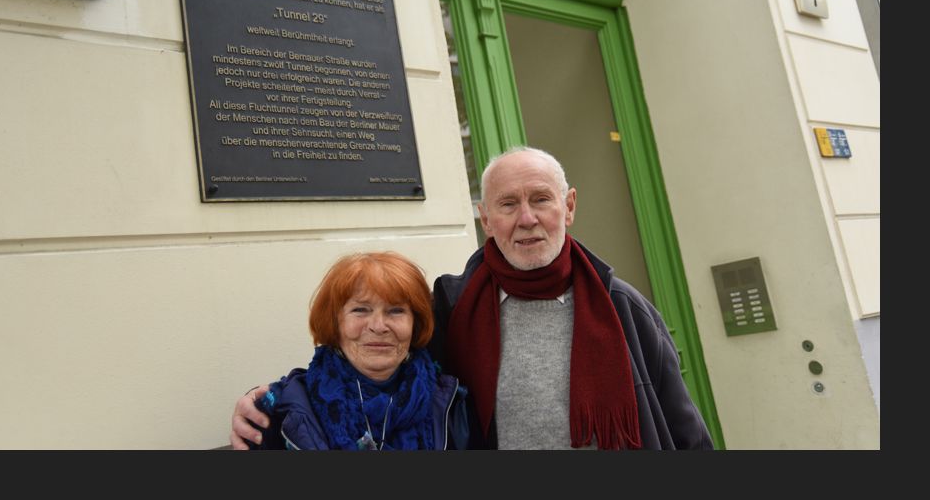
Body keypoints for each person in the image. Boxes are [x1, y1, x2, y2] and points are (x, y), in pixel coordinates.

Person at [232, 147, 712, 450]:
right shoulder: (452, 303)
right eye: (507, 204)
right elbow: (375, 363)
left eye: (541, 199)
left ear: (568, 206)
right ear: (486, 218)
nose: (526, 218)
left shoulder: (621, 305)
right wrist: (270, 401)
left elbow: (681, 422)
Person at [243, 251, 469, 450]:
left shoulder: (452, 403)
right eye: (360, 310)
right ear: (335, 322)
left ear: (415, 323)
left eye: (395, 311)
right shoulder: (283, 410)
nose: (378, 326)